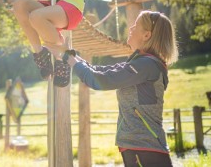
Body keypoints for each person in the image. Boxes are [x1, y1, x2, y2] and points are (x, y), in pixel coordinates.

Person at [57, 10, 178, 167]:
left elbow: (100, 80)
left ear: (147, 35)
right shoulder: (141, 64)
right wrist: (71, 55)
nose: (130, 28)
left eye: (135, 25)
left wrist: (68, 58)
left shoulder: (146, 66)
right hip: (141, 146)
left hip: (143, 147)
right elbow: (100, 71)